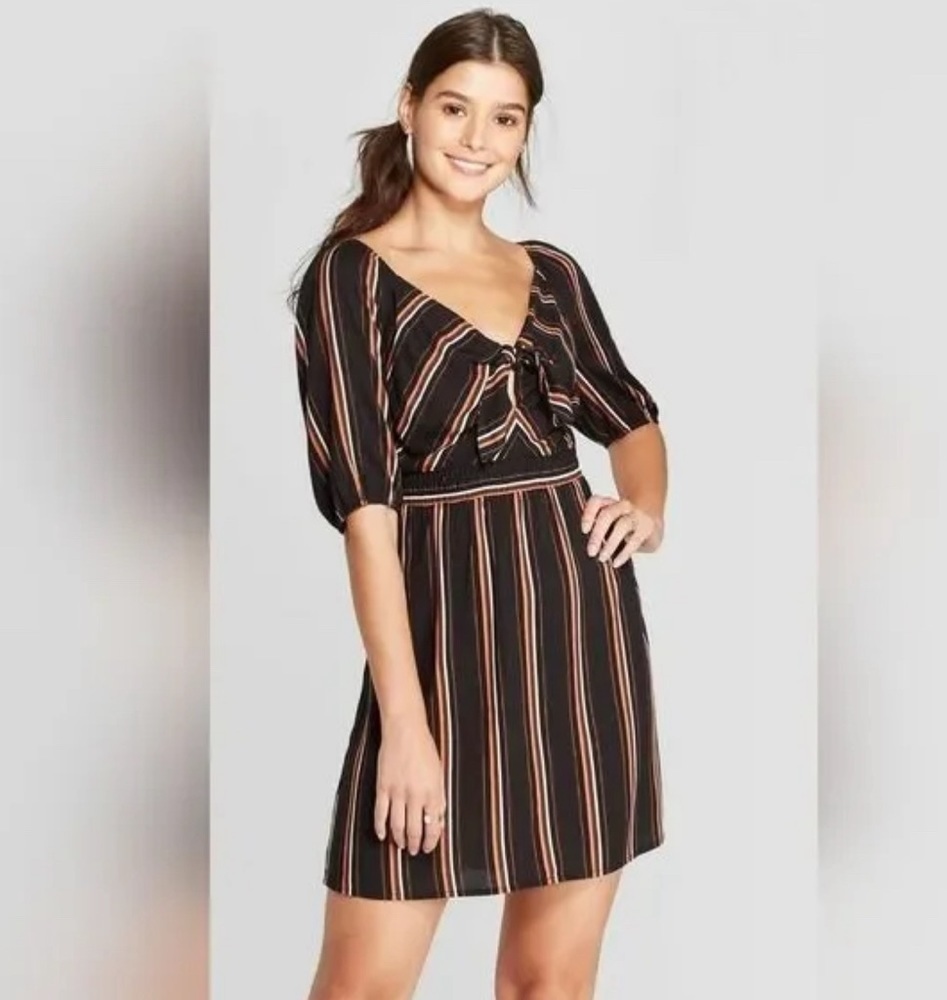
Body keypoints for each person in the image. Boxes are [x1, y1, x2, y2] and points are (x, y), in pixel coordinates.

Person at [288, 8, 669, 999]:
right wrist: (406, 728)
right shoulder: (350, 276)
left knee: (549, 983)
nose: (477, 138)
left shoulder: (552, 274)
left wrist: (644, 504)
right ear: (410, 106)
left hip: (580, 647)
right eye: (456, 108)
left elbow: (631, 418)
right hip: (438, 652)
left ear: (525, 131)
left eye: (505, 118)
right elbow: (367, 513)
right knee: (362, 986)